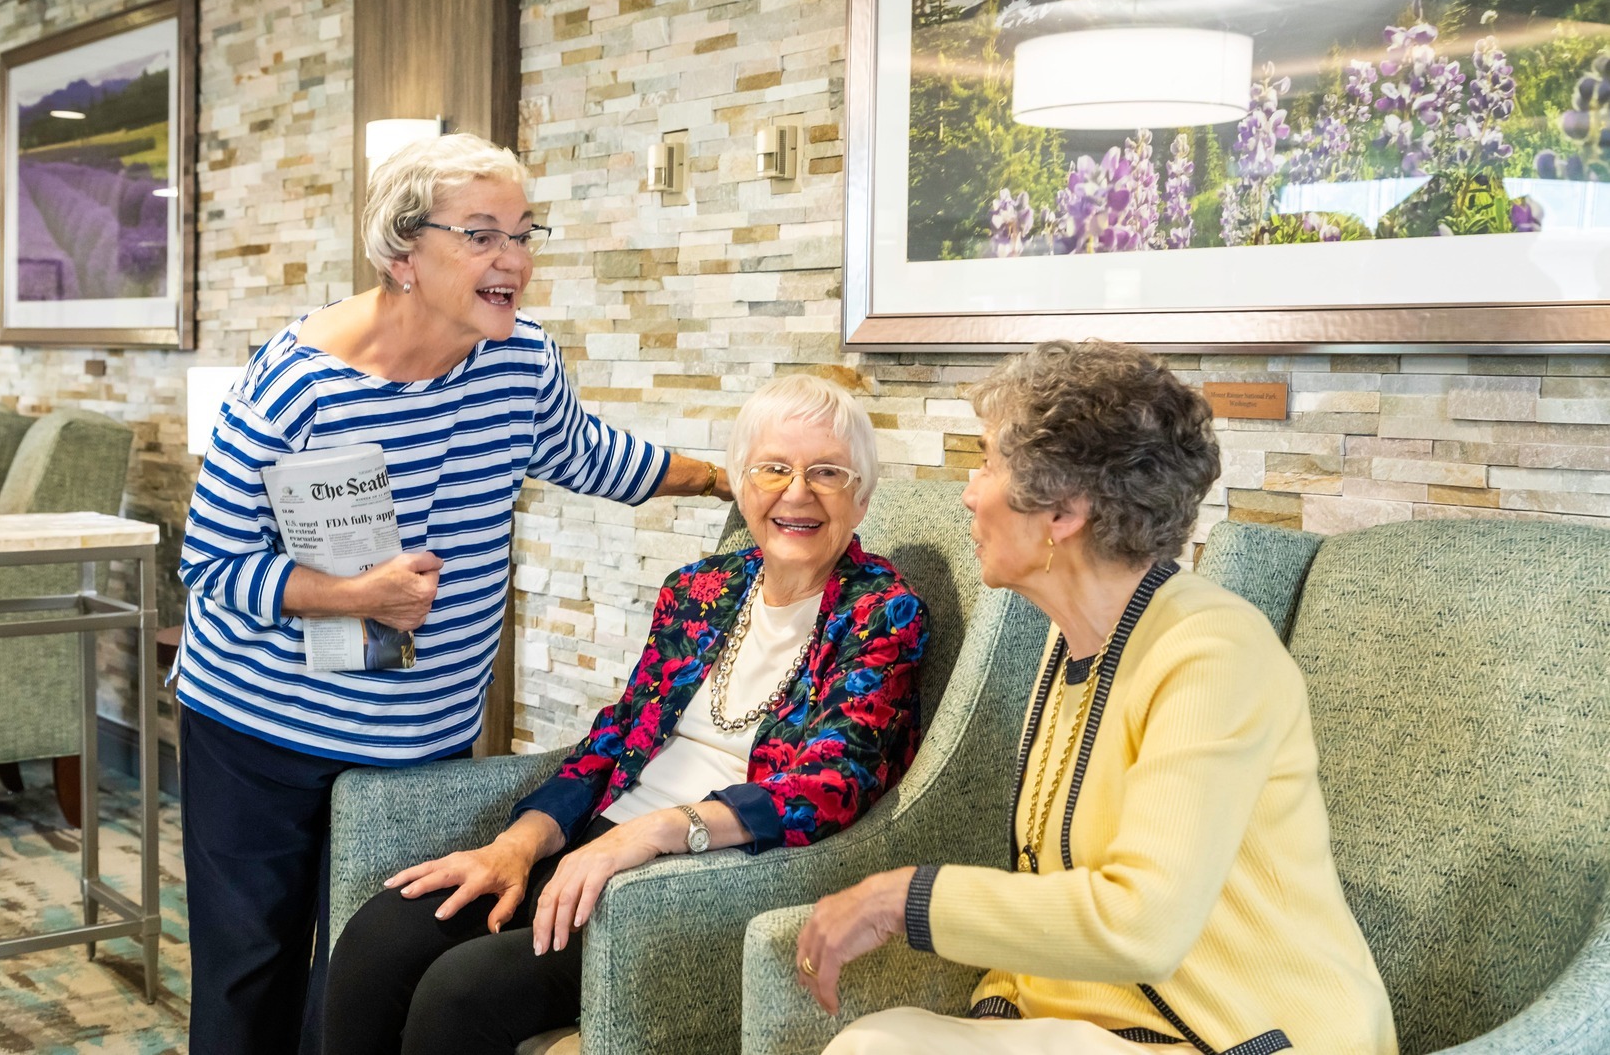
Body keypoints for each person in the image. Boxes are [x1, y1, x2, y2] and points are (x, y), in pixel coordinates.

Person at [175, 132, 733, 1055]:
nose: (512, 258)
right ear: (402, 254)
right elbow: (211, 565)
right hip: (258, 733)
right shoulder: (296, 386)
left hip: (417, 744)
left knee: (357, 984)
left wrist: (725, 478)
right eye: (481, 235)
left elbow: (590, 454)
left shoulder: (520, 362)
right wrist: (351, 594)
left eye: (523, 232)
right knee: (249, 979)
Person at [793, 341, 1398, 1055]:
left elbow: (1140, 922)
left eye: (986, 462)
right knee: (876, 1038)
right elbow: (1051, 882)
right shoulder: (1071, 641)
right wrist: (998, 1008)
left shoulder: (1212, 651)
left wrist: (904, 898)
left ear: (1061, 512)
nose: (967, 489)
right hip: (1103, 1030)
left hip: (1242, 1035)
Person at [322, 373, 930, 1054]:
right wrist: (519, 842)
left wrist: (649, 834)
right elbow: (616, 735)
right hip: (599, 841)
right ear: (741, 479)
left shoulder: (882, 611)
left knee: (464, 990)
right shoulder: (701, 589)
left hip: (700, 875)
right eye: (772, 468)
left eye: (827, 472)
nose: (796, 492)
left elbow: (829, 786)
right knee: (382, 934)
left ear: (862, 495)